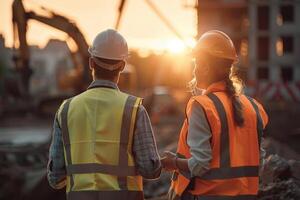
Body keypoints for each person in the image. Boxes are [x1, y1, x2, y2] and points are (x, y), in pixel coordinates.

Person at [47, 29, 161, 200]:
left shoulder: (65, 110)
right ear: (122, 66)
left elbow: (55, 177)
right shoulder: (134, 109)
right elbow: (150, 170)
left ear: (91, 63)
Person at [161, 30, 268, 200]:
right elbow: (259, 160)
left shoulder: (202, 106)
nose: (194, 70)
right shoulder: (253, 107)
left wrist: (173, 163)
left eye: (196, 64)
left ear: (205, 67)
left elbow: (200, 165)